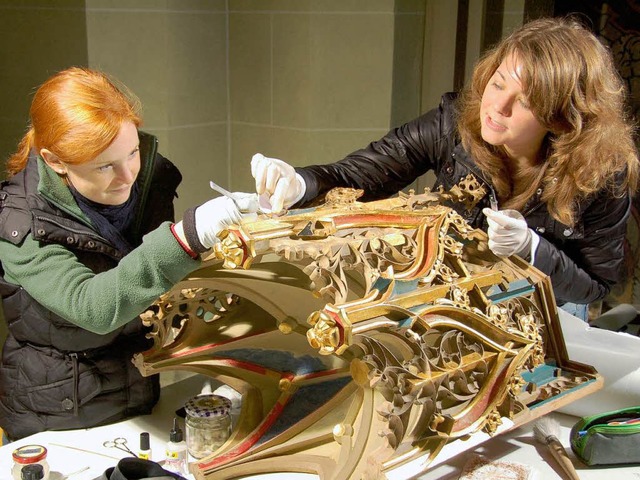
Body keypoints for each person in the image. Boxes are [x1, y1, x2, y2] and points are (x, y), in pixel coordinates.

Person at [250, 16, 639, 321]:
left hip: (545, 309)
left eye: (524, 102)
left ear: (559, 118)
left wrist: (532, 250)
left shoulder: (602, 173)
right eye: (498, 83)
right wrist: (300, 181)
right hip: (454, 298)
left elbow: (595, 286)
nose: (497, 107)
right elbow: (361, 175)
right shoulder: (452, 123)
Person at [0, 67, 252, 440]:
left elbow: (158, 282)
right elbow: (93, 307)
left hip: (137, 394)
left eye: (132, 152)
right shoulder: (19, 223)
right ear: (55, 161)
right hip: (56, 417)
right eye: (104, 165)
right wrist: (187, 236)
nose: (127, 175)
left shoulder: (149, 177)